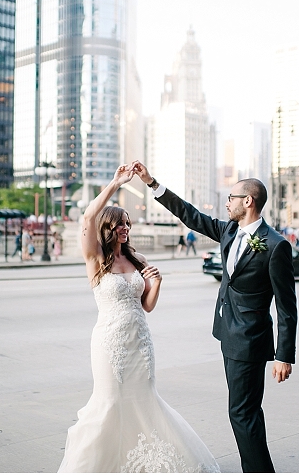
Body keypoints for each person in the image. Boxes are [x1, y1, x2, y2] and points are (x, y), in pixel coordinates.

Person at [132, 160, 297, 473]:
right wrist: (153, 183)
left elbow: (287, 306)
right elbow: (191, 216)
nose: (227, 202)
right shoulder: (229, 230)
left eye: (232, 197)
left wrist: (284, 355)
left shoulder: (276, 246)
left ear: (248, 201)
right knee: (244, 412)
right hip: (228, 335)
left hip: (250, 340)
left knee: (242, 413)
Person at [58, 164, 219, 473]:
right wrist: (116, 182)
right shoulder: (95, 260)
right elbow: (87, 217)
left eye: (127, 223)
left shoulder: (137, 259)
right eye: (120, 224)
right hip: (109, 342)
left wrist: (156, 284)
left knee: (143, 398)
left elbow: (146, 306)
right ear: (108, 227)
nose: (125, 228)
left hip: (140, 341)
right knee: (110, 401)